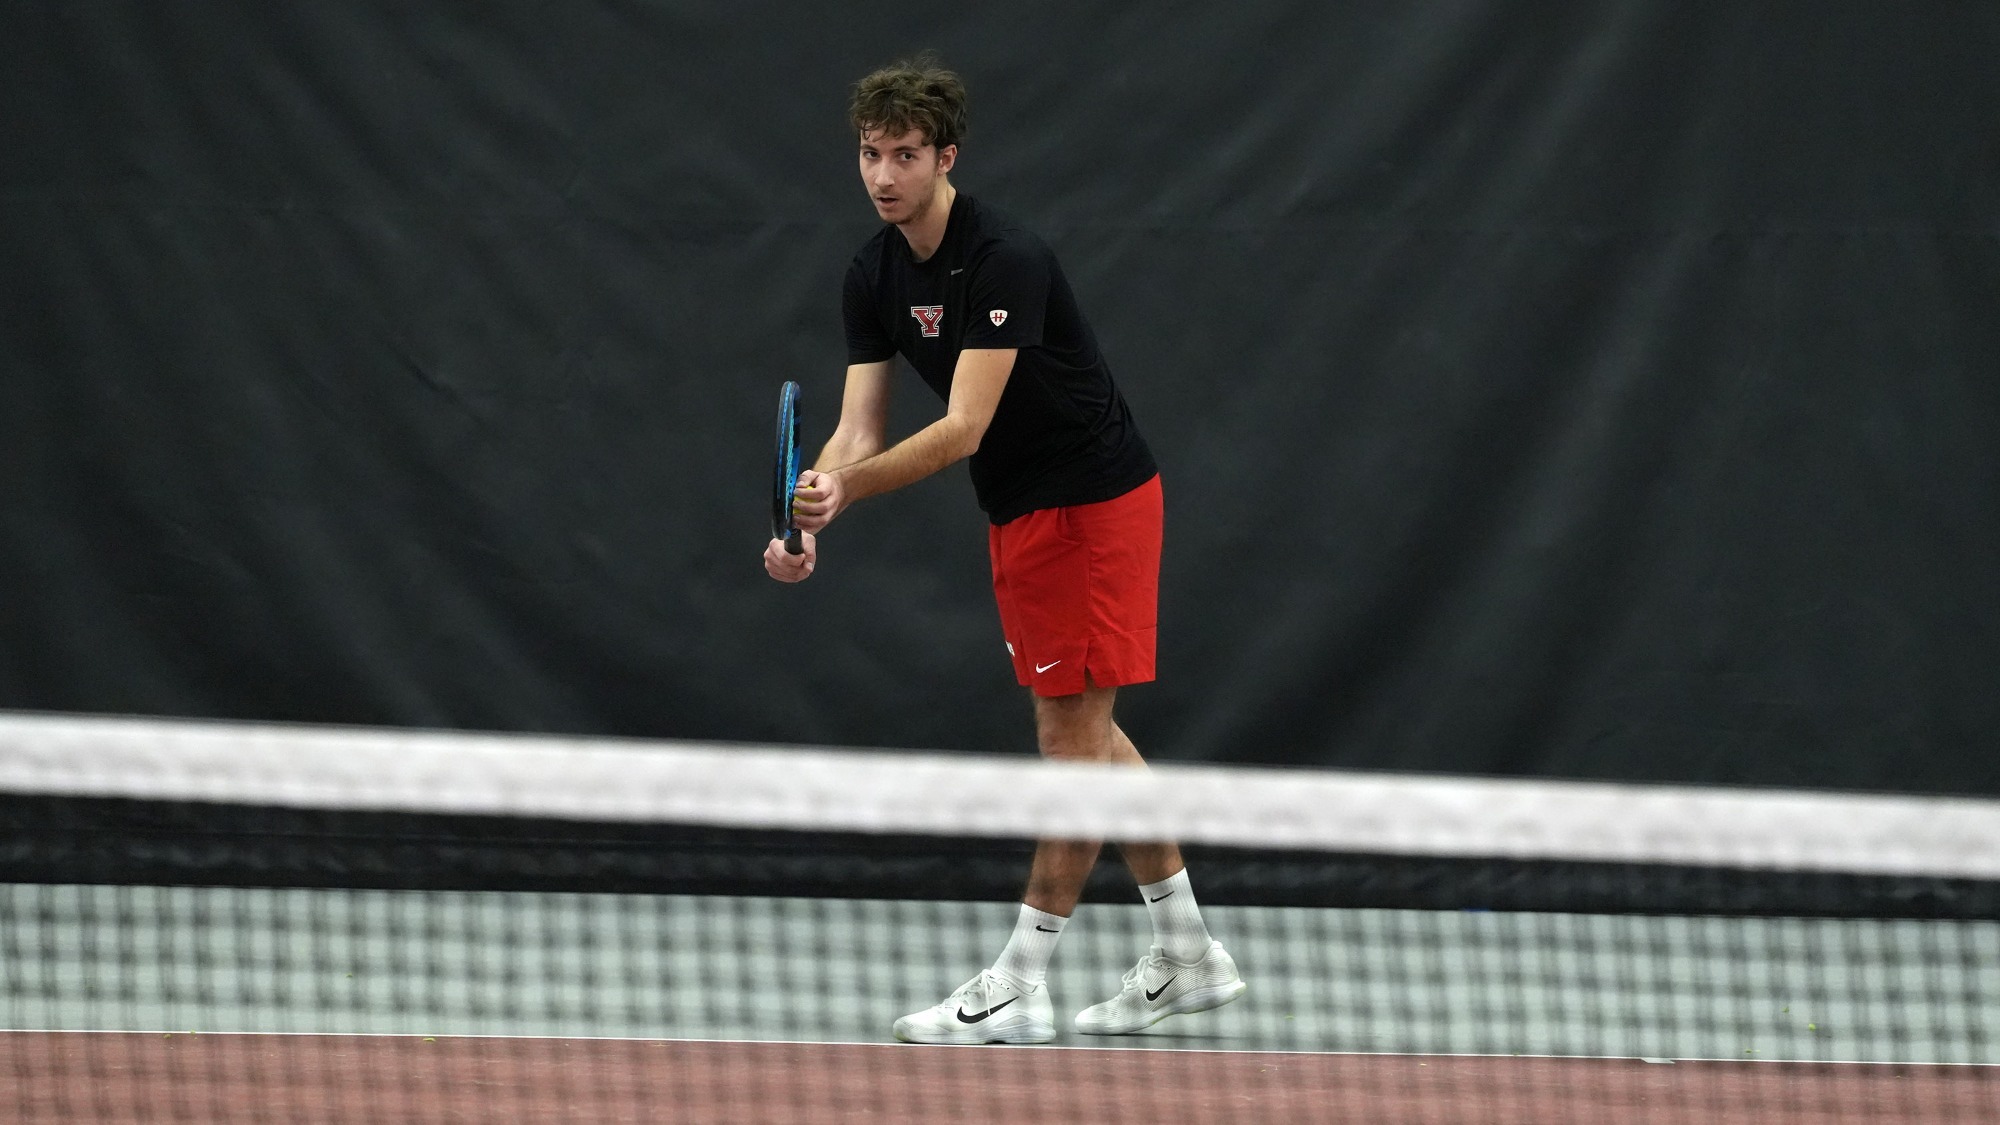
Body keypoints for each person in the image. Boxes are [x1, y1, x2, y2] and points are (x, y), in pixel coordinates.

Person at [763, 54, 1245, 1045]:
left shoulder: (1002, 258)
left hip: (1093, 501)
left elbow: (965, 426)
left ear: (946, 157)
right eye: (868, 154)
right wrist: (813, 504)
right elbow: (859, 429)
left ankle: (1020, 979)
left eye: (904, 154)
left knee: (1066, 742)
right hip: (1022, 514)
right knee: (1091, 740)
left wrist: (853, 484)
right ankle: (1187, 953)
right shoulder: (872, 273)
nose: (883, 174)